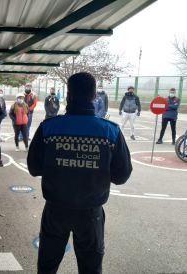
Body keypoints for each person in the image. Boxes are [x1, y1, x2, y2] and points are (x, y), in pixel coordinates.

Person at [27, 72, 132, 274]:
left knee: (47, 266)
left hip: (55, 210)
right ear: (94, 96)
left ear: (68, 95)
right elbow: (121, 175)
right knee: (90, 267)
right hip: (91, 213)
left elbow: (34, 168)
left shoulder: (49, 128)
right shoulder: (110, 132)